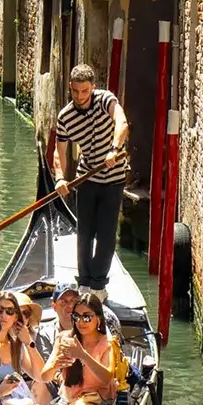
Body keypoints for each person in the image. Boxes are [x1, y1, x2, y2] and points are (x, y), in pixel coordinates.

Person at [53, 61, 130, 300]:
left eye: (84, 91)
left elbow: (122, 123)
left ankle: (98, 286)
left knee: (106, 234)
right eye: (75, 91)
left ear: (93, 88)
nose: (80, 96)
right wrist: (58, 178)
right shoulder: (65, 117)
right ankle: (84, 283)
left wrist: (114, 149)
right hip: (86, 178)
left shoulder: (106, 100)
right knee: (84, 233)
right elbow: (60, 152)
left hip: (114, 177)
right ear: (70, 88)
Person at [53, 293, 126, 405]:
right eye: (77, 317)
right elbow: (44, 375)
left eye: (87, 317)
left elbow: (106, 377)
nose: (81, 322)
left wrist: (83, 355)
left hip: (99, 402)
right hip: (69, 400)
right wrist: (55, 365)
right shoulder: (65, 339)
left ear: (98, 318)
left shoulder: (108, 343)